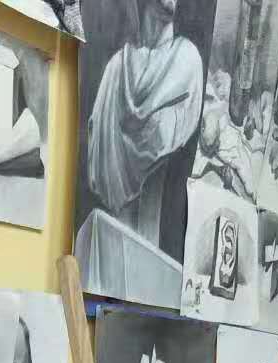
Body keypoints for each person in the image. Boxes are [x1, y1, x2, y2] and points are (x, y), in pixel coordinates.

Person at [86, 0, 205, 233]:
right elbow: (98, 169)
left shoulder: (188, 62)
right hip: (112, 229)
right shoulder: (115, 71)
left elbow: (163, 140)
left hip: (153, 227)